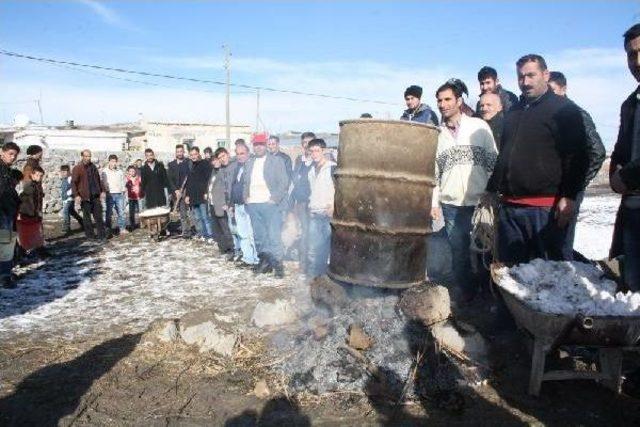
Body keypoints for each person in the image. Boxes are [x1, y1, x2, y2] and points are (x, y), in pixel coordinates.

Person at [486, 54, 588, 265]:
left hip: (545, 210)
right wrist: (490, 189)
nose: (525, 82)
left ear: (545, 74)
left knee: (549, 276)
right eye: (521, 77)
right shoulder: (512, 113)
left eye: (531, 75)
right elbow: (505, 155)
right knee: (513, 275)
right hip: (511, 210)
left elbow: (578, 156)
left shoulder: (564, 110)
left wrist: (569, 196)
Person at [431, 82, 498, 302]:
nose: (443, 104)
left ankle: (489, 294)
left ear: (459, 101)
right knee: (458, 253)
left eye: (448, 99)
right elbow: (434, 174)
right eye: (439, 100)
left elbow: (493, 162)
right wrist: (434, 202)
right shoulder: (437, 135)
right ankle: (467, 295)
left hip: (480, 203)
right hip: (451, 205)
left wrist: (492, 192)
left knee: (486, 250)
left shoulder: (478, 127)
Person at [548, 71, 606, 259]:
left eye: (552, 90)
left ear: (563, 89)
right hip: (553, 191)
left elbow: (597, 151)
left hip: (569, 192)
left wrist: (577, 184)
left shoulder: (575, 114)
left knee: (561, 246)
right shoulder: (551, 114)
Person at [610, 23, 640, 291]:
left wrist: (626, 175)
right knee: (633, 287)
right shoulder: (630, 104)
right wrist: (614, 177)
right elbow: (619, 150)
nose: (637, 61)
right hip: (633, 207)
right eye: (631, 54)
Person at [244, 134, 290, 277]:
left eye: (261, 144)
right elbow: (246, 182)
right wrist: (246, 197)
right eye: (256, 145)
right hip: (254, 204)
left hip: (270, 205)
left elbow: (284, 182)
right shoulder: (250, 162)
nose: (258, 147)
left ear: (265, 145)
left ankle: (278, 265)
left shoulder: (276, 161)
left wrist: (274, 199)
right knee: (259, 236)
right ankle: (264, 263)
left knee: (273, 235)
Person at [306, 139, 336, 278]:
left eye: (317, 150)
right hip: (314, 214)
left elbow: (341, 191)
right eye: (311, 151)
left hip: (327, 214)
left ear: (323, 151)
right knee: (314, 248)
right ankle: (316, 277)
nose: (314, 154)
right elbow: (312, 191)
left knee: (329, 248)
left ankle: (328, 276)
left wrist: (334, 206)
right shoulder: (311, 170)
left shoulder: (332, 168)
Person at [226, 142, 259, 267]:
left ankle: (256, 260)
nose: (239, 156)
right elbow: (233, 186)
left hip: (249, 205)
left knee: (251, 234)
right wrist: (231, 203)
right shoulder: (237, 167)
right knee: (242, 233)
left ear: (248, 153)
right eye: (237, 154)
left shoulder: (252, 167)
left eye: (242, 153)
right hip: (238, 205)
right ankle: (247, 258)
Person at [290, 131, 316, 270]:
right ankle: (304, 263)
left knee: (313, 233)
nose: (307, 146)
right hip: (301, 202)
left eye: (310, 143)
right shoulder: (299, 160)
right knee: (303, 232)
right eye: (304, 143)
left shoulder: (318, 161)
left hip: (314, 203)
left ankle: (313, 263)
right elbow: (294, 181)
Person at [71, 149, 107, 241]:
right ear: (82, 156)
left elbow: (98, 180)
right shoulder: (77, 168)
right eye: (86, 156)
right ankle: (90, 236)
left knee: (98, 216)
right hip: (84, 196)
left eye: (89, 156)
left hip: (95, 195)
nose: (88, 158)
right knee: (87, 218)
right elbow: (73, 183)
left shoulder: (93, 167)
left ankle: (102, 236)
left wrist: (102, 190)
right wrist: (76, 195)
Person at [0, 143, 22, 288]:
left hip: (7, 211)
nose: (13, 157)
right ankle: (4, 276)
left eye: (15, 155)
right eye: (10, 154)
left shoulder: (7, 170)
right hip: (2, 212)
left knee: (6, 245)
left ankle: (5, 273)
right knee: (4, 245)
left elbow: (8, 191)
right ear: (2, 152)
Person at [208, 147, 235, 256]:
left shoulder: (226, 170)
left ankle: (231, 249)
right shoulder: (214, 172)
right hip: (213, 203)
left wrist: (226, 203)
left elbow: (227, 189)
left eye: (219, 158)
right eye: (215, 160)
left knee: (226, 228)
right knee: (217, 228)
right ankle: (223, 248)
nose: (217, 161)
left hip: (222, 204)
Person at [184, 146, 214, 242]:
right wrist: (187, 195)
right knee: (197, 218)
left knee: (205, 217)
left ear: (198, 154)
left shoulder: (205, 164)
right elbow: (188, 182)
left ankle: (210, 235)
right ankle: (202, 234)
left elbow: (209, 179)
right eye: (191, 155)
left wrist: (206, 192)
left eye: (195, 154)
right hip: (193, 196)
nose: (193, 156)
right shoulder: (190, 166)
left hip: (202, 195)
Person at [17, 166, 46, 256]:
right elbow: (28, 199)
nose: (39, 177)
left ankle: (39, 249)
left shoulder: (37, 185)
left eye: (41, 176)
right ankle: (23, 251)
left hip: (34, 212)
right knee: (26, 232)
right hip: (28, 213)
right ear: (32, 175)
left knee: (37, 231)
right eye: (37, 175)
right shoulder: (29, 186)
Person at [167, 144, 193, 237]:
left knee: (183, 213)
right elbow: (169, 179)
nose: (179, 153)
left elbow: (190, 178)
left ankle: (186, 232)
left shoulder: (188, 163)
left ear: (183, 152)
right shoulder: (171, 164)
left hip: (185, 191)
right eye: (178, 151)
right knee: (175, 212)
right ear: (175, 153)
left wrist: (185, 192)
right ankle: (179, 229)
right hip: (175, 193)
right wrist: (175, 190)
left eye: (181, 151)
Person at [102, 154, 127, 235]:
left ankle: (122, 228)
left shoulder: (119, 171)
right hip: (110, 194)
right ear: (109, 162)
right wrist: (106, 191)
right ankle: (108, 229)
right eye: (112, 161)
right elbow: (104, 183)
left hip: (119, 194)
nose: (114, 163)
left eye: (115, 162)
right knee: (108, 213)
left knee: (121, 212)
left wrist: (123, 191)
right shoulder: (105, 171)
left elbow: (122, 182)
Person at [59, 165, 83, 235]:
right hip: (66, 199)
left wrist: (67, 194)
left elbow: (73, 188)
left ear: (68, 172)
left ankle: (67, 228)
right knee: (72, 212)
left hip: (69, 198)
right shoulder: (64, 179)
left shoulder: (70, 179)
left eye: (65, 172)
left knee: (65, 212)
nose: (63, 173)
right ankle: (83, 222)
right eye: (62, 172)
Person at [125, 165, 143, 230]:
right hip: (131, 198)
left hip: (139, 197)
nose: (132, 172)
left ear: (135, 171)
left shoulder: (139, 178)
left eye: (133, 171)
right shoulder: (127, 179)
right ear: (128, 172)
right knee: (131, 212)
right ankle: (132, 224)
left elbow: (142, 186)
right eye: (130, 171)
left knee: (140, 211)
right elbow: (125, 188)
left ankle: (142, 223)